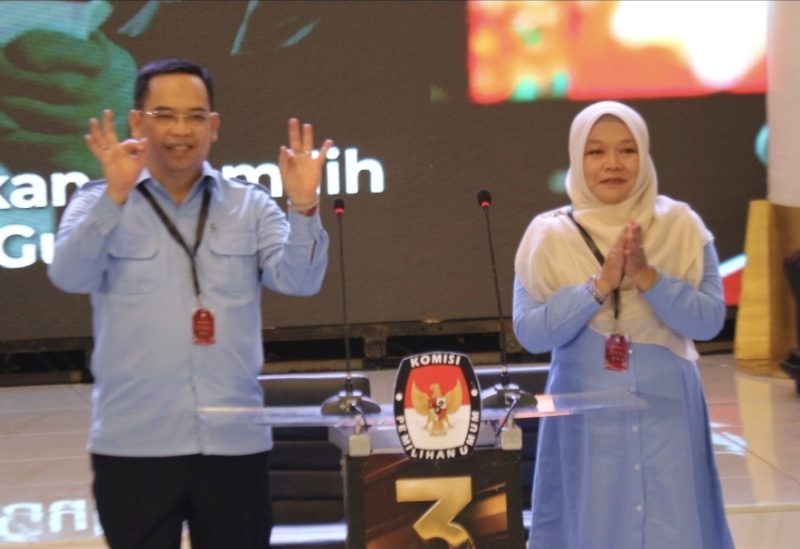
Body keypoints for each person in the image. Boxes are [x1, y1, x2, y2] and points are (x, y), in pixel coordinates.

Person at [47, 58, 333, 549]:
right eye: (164, 115)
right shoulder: (96, 201)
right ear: (137, 122)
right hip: (134, 444)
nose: (180, 130)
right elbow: (68, 275)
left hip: (234, 445)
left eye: (195, 116)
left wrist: (304, 207)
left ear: (213, 126)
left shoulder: (249, 205)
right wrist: (114, 198)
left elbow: (301, 281)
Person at [513, 101, 734, 549]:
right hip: (583, 417)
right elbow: (531, 333)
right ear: (577, 158)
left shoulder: (681, 225)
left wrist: (649, 278)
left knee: (673, 526)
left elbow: (709, 321)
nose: (613, 163)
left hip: (668, 412)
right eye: (596, 151)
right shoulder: (548, 235)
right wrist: (599, 285)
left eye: (627, 150)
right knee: (592, 523)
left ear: (644, 155)